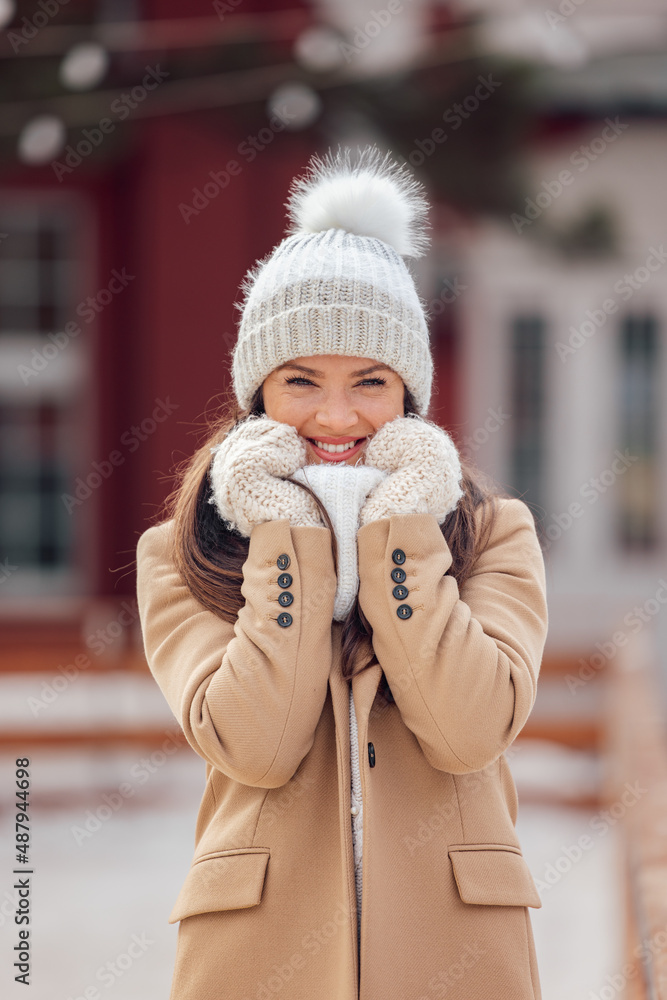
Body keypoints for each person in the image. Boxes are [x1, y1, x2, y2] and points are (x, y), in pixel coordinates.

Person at [135, 145, 549, 1000]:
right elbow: (257, 744)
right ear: (258, 393)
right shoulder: (181, 554)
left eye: (369, 380)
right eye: (300, 381)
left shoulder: (494, 534)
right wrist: (288, 534)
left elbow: (468, 729)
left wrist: (400, 524)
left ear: (409, 395)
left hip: (454, 960)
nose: (335, 415)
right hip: (257, 959)